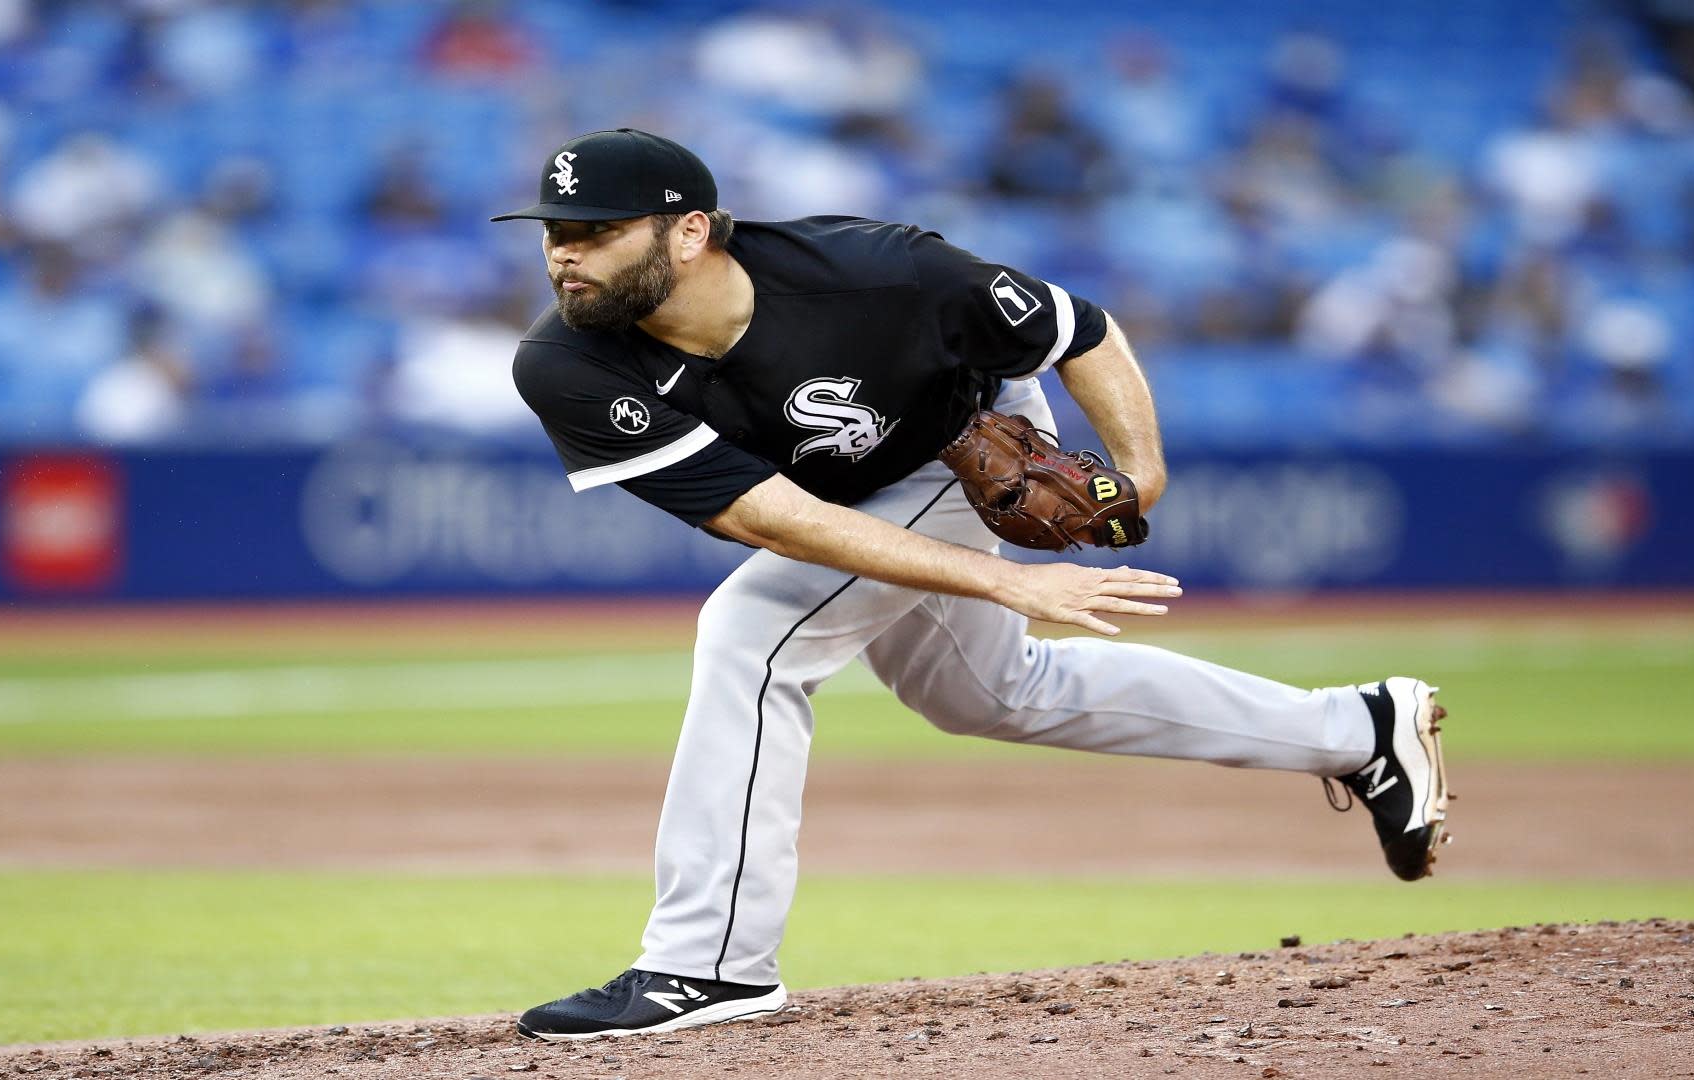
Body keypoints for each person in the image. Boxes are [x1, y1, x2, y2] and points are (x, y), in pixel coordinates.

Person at [494, 129, 1450, 1042]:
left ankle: (709, 963)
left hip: (964, 448)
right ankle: (1358, 729)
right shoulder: (566, 362)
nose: (564, 256)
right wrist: (1004, 587)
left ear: (690, 231)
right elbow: (765, 517)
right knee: (993, 692)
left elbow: (1080, 328)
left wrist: (1140, 475)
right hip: (827, 498)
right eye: (554, 233)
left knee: (753, 637)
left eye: (596, 233)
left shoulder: (877, 270)